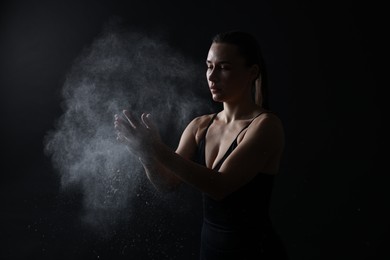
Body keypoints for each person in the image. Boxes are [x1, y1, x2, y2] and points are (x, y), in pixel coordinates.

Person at [114, 30, 287, 259]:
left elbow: (219, 186)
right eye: (209, 66)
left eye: (224, 67)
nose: (212, 77)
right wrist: (145, 154)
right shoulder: (200, 126)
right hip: (211, 252)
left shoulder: (266, 126)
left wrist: (156, 148)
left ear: (252, 72)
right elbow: (167, 183)